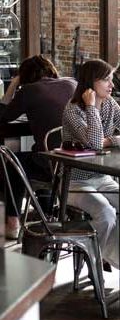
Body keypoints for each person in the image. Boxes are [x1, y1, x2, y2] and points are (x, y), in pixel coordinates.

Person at [62, 59, 120, 270]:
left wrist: (109, 141)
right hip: (74, 182)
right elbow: (94, 142)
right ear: (91, 83)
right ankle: (94, 260)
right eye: (106, 80)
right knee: (106, 214)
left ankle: (105, 255)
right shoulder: (73, 110)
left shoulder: (109, 103)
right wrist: (91, 107)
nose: (112, 85)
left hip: (102, 177)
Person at [0, 56, 76, 239]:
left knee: (13, 162)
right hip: (78, 163)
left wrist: (13, 84)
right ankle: (46, 210)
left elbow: (3, 116)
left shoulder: (29, 90)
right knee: (40, 152)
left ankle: (12, 222)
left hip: (51, 164)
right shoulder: (72, 84)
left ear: (24, 75)